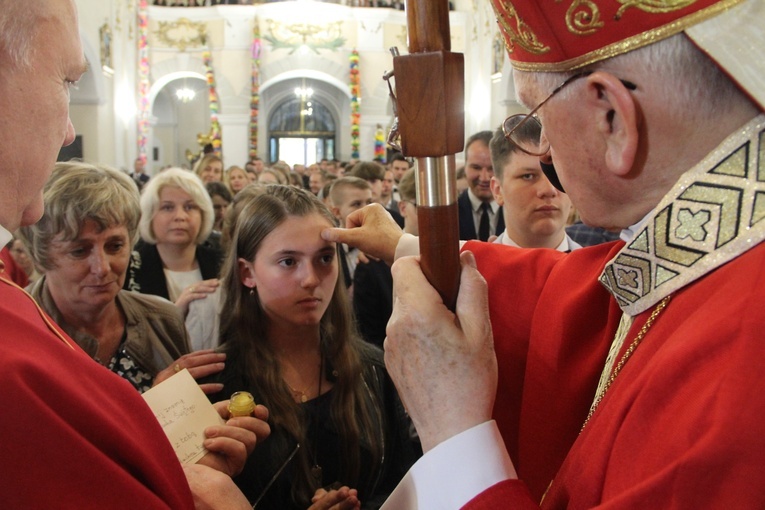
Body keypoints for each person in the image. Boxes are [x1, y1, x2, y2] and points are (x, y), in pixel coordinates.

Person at [323, 0, 765, 507]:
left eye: (536, 111)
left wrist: (454, 428)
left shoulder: (741, 379)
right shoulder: (716, 250)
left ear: (612, 117)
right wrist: (406, 244)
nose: (545, 148)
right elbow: (570, 296)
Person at [0, 0, 266, 506]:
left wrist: (197, 454)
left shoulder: (159, 320)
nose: (69, 131)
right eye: (66, 82)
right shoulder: (16, 338)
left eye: (115, 245)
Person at [205, 184, 420, 509]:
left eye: (324, 258)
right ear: (247, 273)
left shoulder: (373, 369)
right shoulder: (217, 384)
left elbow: (405, 485)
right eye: (289, 262)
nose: (311, 279)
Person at [20, 161, 226, 393]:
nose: (103, 267)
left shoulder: (163, 320)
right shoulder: (15, 331)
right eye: (79, 251)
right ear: (40, 254)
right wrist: (160, 403)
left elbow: (192, 423)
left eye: (115, 246)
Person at [125, 167, 221, 318]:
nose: (180, 216)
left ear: (203, 214)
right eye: (168, 207)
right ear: (150, 215)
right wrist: (174, 314)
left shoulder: (222, 263)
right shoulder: (128, 268)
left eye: (189, 207)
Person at [488, 121, 580, 250]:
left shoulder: (601, 269)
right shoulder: (472, 268)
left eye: (557, 174)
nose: (549, 189)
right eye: (528, 176)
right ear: (497, 190)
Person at [353, 168, 418, 348]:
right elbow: (369, 339)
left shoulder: (458, 255)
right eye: (421, 207)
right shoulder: (372, 262)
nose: (435, 215)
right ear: (403, 207)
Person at [458, 130, 505, 241]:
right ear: (465, 168)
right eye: (476, 167)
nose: (484, 178)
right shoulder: (449, 214)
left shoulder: (517, 212)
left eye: (491, 168)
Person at [329, 176, 374, 289]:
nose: (366, 210)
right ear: (337, 212)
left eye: (369, 202)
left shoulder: (379, 248)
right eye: (357, 204)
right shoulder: (329, 248)